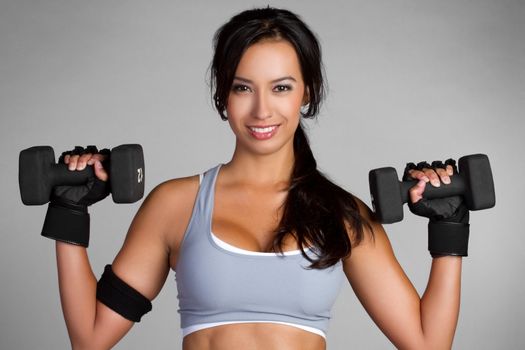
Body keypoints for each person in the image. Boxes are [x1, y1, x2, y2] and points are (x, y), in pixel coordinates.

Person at [43, 7, 470, 350]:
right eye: (243, 87)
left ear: (308, 92)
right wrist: (69, 212)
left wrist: (449, 228)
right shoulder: (175, 204)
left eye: (281, 87)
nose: (262, 110)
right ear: (222, 96)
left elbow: (426, 342)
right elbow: (91, 337)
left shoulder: (341, 214)